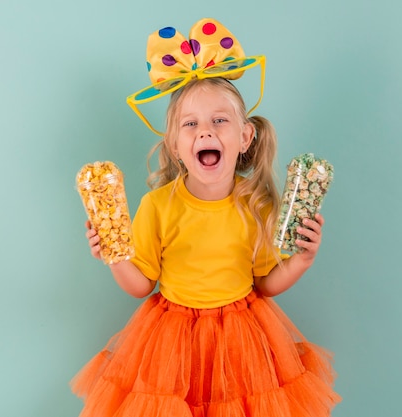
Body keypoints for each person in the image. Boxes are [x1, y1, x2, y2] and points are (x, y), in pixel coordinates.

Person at [71, 18, 341, 416]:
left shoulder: (258, 205)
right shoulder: (158, 206)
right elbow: (140, 285)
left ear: (244, 137)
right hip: (169, 341)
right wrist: (116, 255)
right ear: (176, 145)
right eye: (191, 124)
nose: (205, 132)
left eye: (219, 120)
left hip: (243, 339)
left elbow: (265, 284)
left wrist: (301, 260)